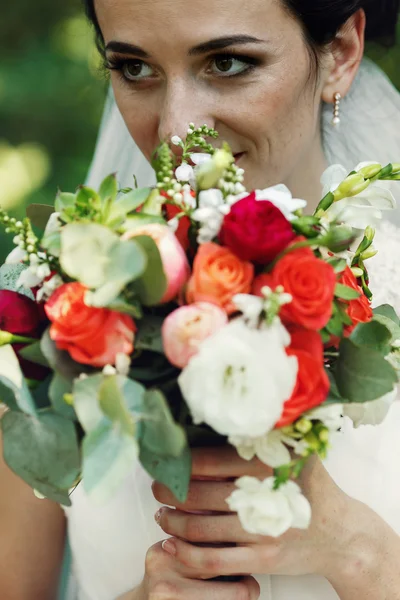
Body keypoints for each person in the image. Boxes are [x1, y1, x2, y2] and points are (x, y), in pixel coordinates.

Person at [1, 1, 400, 599]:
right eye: (135, 69)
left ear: (340, 53)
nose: (175, 132)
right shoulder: (59, 316)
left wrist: (361, 554)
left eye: (229, 62)